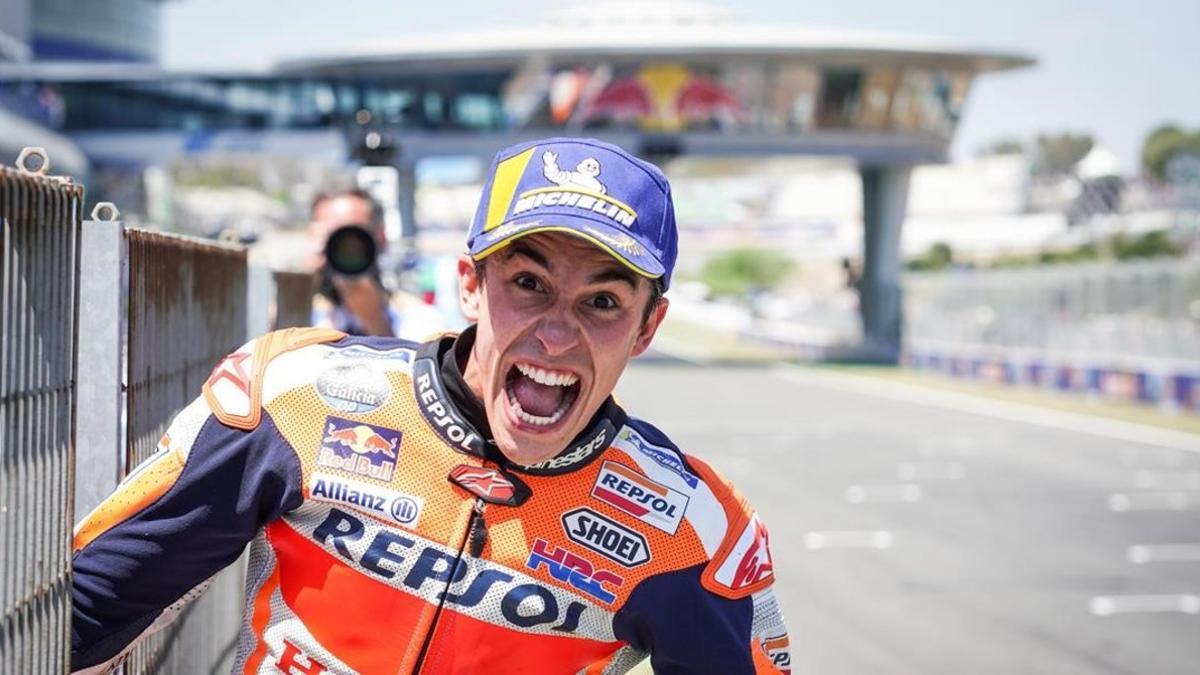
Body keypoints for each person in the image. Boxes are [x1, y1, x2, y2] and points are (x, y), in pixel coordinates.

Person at [71, 138, 792, 674]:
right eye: (529, 282)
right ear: (470, 285)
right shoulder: (293, 397)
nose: (556, 330)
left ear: (647, 328)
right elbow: (83, 606)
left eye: (602, 300)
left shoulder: (690, 526)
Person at [308, 188, 445, 339]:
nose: (345, 248)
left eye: (354, 236)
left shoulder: (417, 317)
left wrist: (376, 321)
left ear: (380, 238)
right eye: (333, 236)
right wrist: (299, 281)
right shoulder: (301, 311)